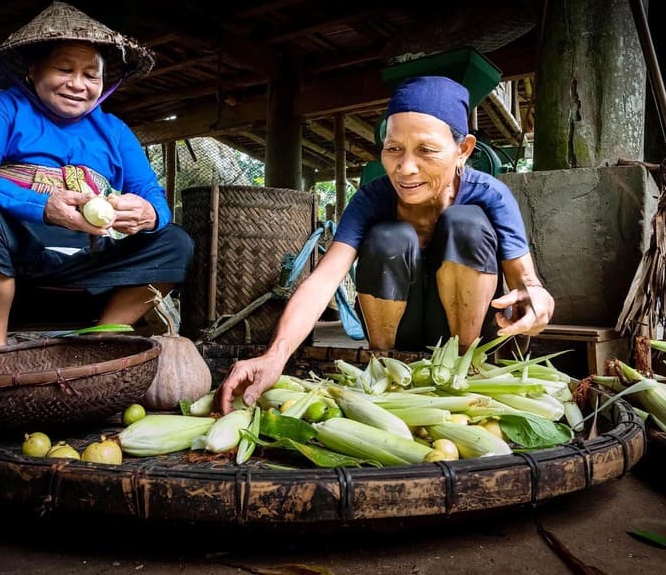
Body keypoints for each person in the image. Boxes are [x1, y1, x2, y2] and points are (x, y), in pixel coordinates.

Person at [217, 75, 554, 413]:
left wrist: (537, 299)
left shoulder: (491, 194)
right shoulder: (371, 199)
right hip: (396, 333)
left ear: (462, 150)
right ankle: (384, 368)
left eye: (426, 150)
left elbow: (526, 281)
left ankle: (464, 372)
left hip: (466, 335)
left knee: (466, 224)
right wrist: (275, 355)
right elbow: (323, 281)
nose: (405, 169)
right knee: (388, 236)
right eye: (393, 149)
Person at [0, 1, 194, 348]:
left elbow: (151, 193)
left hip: (91, 271)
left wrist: (149, 214)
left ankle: (101, 339)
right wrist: (44, 206)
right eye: (63, 69)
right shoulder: (3, 106)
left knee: (175, 242)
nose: (77, 84)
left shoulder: (114, 130)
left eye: (90, 75)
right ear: (33, 70)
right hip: (11, 263)